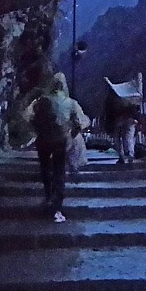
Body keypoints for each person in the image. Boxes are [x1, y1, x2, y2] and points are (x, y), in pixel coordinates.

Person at [27, 73, 88, 223]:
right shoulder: (70, 103)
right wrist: (71, 136)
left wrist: (39, 131)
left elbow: (30, 118)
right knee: (59, 170)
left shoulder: (41, 101)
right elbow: (79, 123)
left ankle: (48, 196)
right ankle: (57, 204)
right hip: (61, 141)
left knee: (45, 168)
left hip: (43, 140)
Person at [102, 74, 142, 164]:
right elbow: (137, 108)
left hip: (117, 120)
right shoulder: (132, 96)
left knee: (117, 138)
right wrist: (136, 118)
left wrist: (108, 123)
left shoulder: (110, 98)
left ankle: (122, 156)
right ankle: (130, 154)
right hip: (130, 119)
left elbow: (107, 111)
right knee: (129, 137)